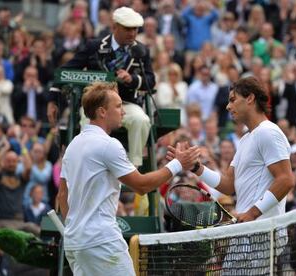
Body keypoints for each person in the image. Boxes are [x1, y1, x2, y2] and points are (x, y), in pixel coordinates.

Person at [57, 82, 199, 275]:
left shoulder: (73, 145)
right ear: (102, 112)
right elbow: (141, 186)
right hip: (101, 242)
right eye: (117, 106)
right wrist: (177, 164)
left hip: (75, 244)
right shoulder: (109, 145)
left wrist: (74, 229)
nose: (123, 112)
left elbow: (62, 194)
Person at [168, 76, 294, 274]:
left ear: (250, 98)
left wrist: (252, 213)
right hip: (246, 231)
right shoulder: (245, 140)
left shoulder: (268, 132)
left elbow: (286, 180)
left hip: (261, 232)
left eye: (233, 99)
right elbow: (228, 185)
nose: (228, 106)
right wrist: (195, 167)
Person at [48, 6, 155, 167]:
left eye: (135, 29)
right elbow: (66, 71)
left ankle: (134, 167)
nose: (132, 33)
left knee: (141, 120)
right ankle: (90, 163)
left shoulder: (141, 50)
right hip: (95, 103)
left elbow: (151, 80)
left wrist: (131, 79)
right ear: (114, 27)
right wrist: (53, 99)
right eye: (127, 29)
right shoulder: (94, 46)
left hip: (126, 104)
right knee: (87, 122)